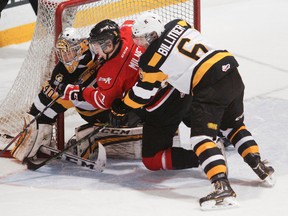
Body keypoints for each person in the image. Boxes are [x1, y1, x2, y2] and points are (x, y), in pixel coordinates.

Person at [109, 12, 275, 209]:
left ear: (150, 36)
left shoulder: (150, 60)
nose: (140, 44)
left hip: (209, 84)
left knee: (200, 139)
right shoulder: (178, 23)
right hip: (230, 71)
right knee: (233, 126)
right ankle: (259, 165)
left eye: (141, 39)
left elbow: (143, 93)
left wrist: (122, 106)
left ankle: (222, 187)